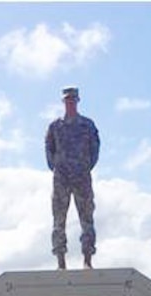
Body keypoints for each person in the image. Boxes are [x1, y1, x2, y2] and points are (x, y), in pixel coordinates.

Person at [45, 86, 100, 269]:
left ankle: (87, 259)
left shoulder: (87, 125)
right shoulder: (55, 126)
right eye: (67, 100)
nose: (70, 102)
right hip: (61, 178)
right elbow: (49, 151)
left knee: (86, 218)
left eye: (73, 100)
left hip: (82, 177)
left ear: (77, 101)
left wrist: (83, 166)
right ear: (63, 102)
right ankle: (60, 259)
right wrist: (59, 167)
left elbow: (95, 150)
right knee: (59, 219)